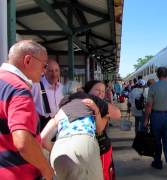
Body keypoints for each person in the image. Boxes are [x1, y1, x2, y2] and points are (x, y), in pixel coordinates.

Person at [0, 40, 54, 180]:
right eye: (44, 65)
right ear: (28, 60)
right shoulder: (18, 89)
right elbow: (23, 142)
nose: (44, 71)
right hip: (18, 174)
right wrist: (46, 169)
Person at [41, 92, 110, 180]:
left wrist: (60, 149)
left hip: (59, 152)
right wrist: (97, 111)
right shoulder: (88, 105)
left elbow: (42, 139)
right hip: (83, 144)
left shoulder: (59, 113)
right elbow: (99, 128)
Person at [144, 67, 167, 177]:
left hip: (156, 117)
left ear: (157, 75)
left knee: (156, 141)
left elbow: (149, 106)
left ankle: (157, 162)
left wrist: (146, 119)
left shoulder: (153, 87)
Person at [83, 80, 121, 180]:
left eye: (103, 91)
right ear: (88, 91)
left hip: (101, 147)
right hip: (97, 149)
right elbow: (99, 128)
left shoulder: (101, 105)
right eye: (97, 90)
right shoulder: (88, 103)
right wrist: (105, 117)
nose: (100, 93)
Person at [32, 59, 64, 131]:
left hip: (58, 126)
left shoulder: (62, 88)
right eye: (51, 71)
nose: (54, 74)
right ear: (45, 71)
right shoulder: (36, 86)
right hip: (41, 126)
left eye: (56, 70)